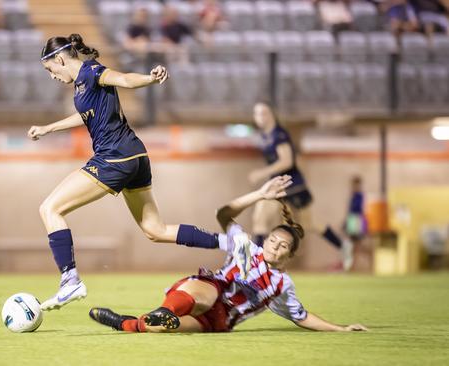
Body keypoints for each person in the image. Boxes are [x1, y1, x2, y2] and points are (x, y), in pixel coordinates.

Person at [29, 34, 236, 311]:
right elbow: (86, 115)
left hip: (114, 156)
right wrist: (47, 128)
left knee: (50, 209)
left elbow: (125, 80)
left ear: (60, 58)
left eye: (49, 69)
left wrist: (150, 78)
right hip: (135, 155)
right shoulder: (81, 84)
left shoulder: (92, 70)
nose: (51, 75)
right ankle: (232, 243)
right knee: (155, 230)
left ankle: (70, 280)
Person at [89, 176, 369, 333]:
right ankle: (165, 310)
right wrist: (259, 194)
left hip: (220, 321)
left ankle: (123, 322)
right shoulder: (246, 247)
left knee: (158, 329)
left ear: (291, 254)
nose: (274, 246)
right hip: (211, 291)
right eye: (273, 240)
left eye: (283, 246)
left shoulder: (283, 285)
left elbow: (301, 316)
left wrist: (341, 328)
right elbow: (223, 213)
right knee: (211, 287)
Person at [248, 102, 353, 271]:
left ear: (272, 115)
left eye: (264, 113)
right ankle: (256, 264)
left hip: (293, 186)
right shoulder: (266, 136)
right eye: (256, 113)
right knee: (261, 217)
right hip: (278, 186)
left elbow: (287, 161)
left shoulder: (279, 135)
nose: (260, 117)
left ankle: (342, 245)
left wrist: (261, 173)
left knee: (308, 223)